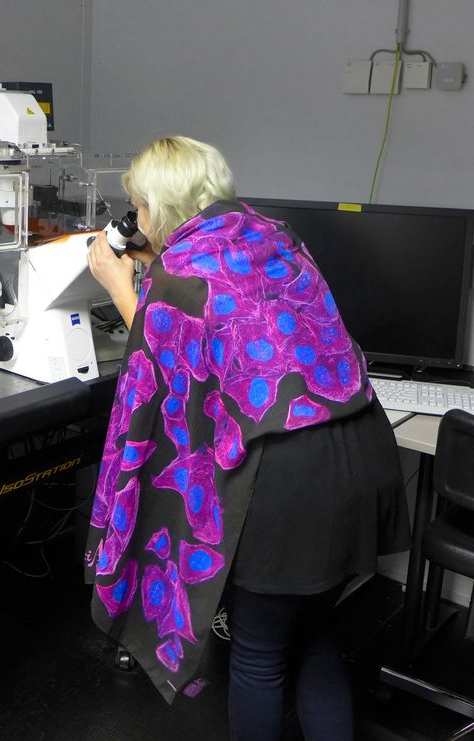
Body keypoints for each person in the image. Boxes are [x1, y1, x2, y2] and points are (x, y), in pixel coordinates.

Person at [83, 135, 410, 740]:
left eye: (139, 206)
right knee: (313, 639)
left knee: (258, 655)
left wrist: (122, 288)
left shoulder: (177, 280)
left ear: (152, 210)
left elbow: (161, 381)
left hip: (287, 482)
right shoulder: (275, 238)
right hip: (361, 457)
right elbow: (232, 336)